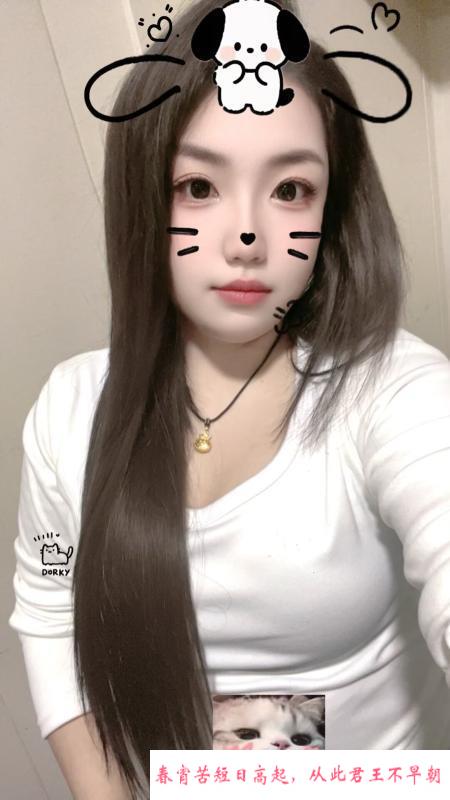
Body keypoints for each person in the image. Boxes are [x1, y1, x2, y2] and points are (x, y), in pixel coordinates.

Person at [9, 0, 450, 797]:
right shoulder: (70, 412)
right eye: (198, 185)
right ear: (144, 196)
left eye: (291, 189)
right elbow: (49, 608)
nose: (247, 235)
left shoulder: (391, 388)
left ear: (332, 210)